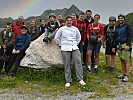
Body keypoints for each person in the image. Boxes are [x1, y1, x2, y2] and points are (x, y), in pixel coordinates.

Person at [55, 16, 86, 87]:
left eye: (70, 20)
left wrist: (75, 44)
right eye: (67, 20)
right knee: (67, 64)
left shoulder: (75, 29)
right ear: (65, 21)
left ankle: (80, 79)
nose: (69, 21)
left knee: (78, 63)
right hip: (65, 48)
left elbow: (79, 38)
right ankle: (68, 80)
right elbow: (56, 38)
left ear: (72, 21)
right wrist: (61, 44)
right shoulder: (61, 29)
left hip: (74, 47)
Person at [115, 14, 133, 82]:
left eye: (122, 18)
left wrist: (128, 45)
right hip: (119, 45)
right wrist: (115, 46)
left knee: (126, 60)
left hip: (125, 44)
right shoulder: (117, 27)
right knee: (122, 60)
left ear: (124, 19)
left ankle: (127, 75)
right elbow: (116, 36)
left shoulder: (127, 26)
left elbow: (130, 35)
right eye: (119, 18)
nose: (120, 19)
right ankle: (123, 74)